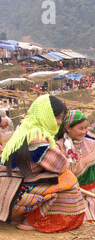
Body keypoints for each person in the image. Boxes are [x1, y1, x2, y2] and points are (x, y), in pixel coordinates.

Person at [0, 95, 86, 232]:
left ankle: (19, 216)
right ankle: (33, 220)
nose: (59, 123)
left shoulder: (24, 129)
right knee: (69, 180)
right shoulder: (36, 137)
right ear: (46, 116)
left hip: (7, 185)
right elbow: (61, 165)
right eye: (57, 118)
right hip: (14, 191)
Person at [56, 110, 95, 226]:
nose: (84, 131)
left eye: (86, 128)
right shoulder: (59, 147)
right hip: (71, 196)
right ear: (68, 128)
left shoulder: (92, 145)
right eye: (80, 128)